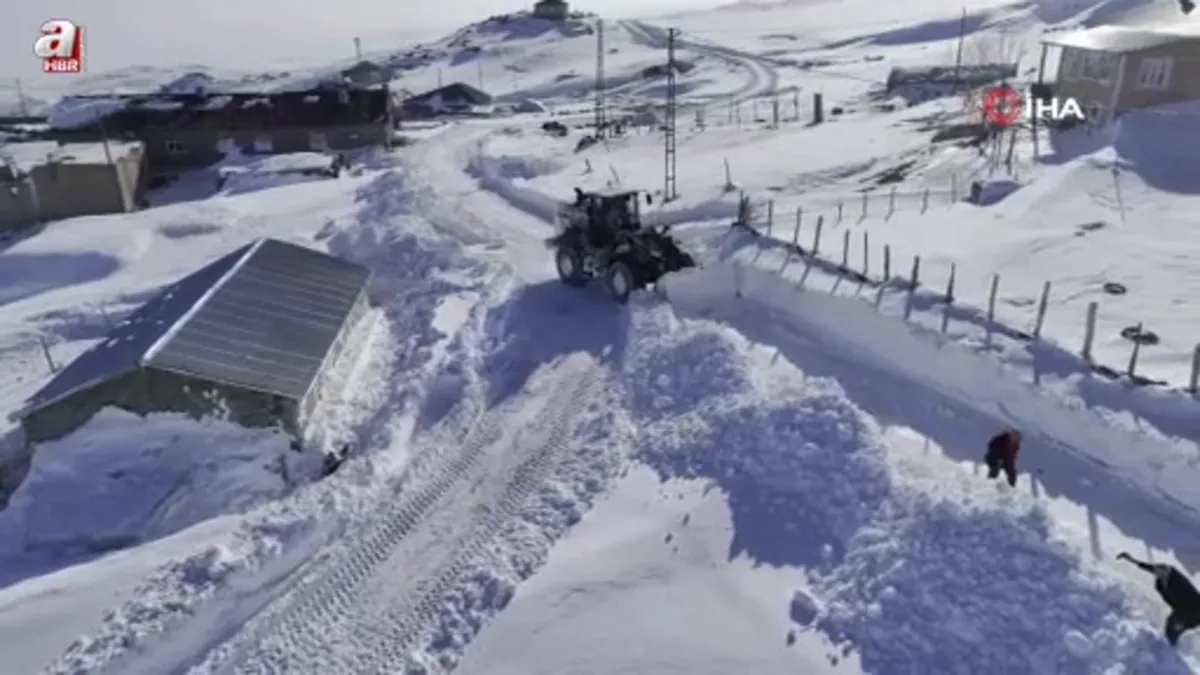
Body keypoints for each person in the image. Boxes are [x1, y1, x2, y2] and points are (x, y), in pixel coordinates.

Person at [1117, 552, 1200, 645]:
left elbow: (1191, 602)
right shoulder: (1162, 579)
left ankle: (1171, 649)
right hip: (1186, 612)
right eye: (1157, 572)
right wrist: (1130, 559)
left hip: (1192, 612)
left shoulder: (1178, 582)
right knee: (1173, 627)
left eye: (1161, 573)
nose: (1157, 574)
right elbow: (1147, 567)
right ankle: (1173, 647)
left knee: (1172, 626)